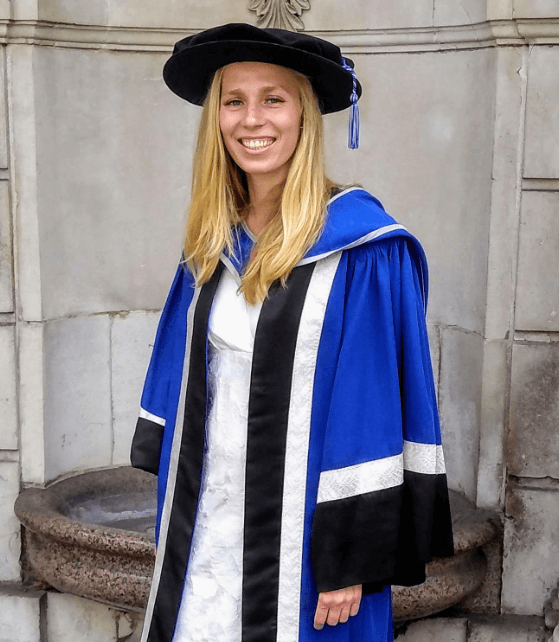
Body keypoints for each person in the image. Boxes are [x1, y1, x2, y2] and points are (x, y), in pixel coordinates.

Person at [130, 23, 454, 642]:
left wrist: (351, 557)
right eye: (234, 100)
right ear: (215, 118)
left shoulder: (360, 247)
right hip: (208, 522)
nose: (252, 119)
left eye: (273, 98)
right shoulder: (212, 244)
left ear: (305, 114)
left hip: (305, 539)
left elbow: (370, 407)